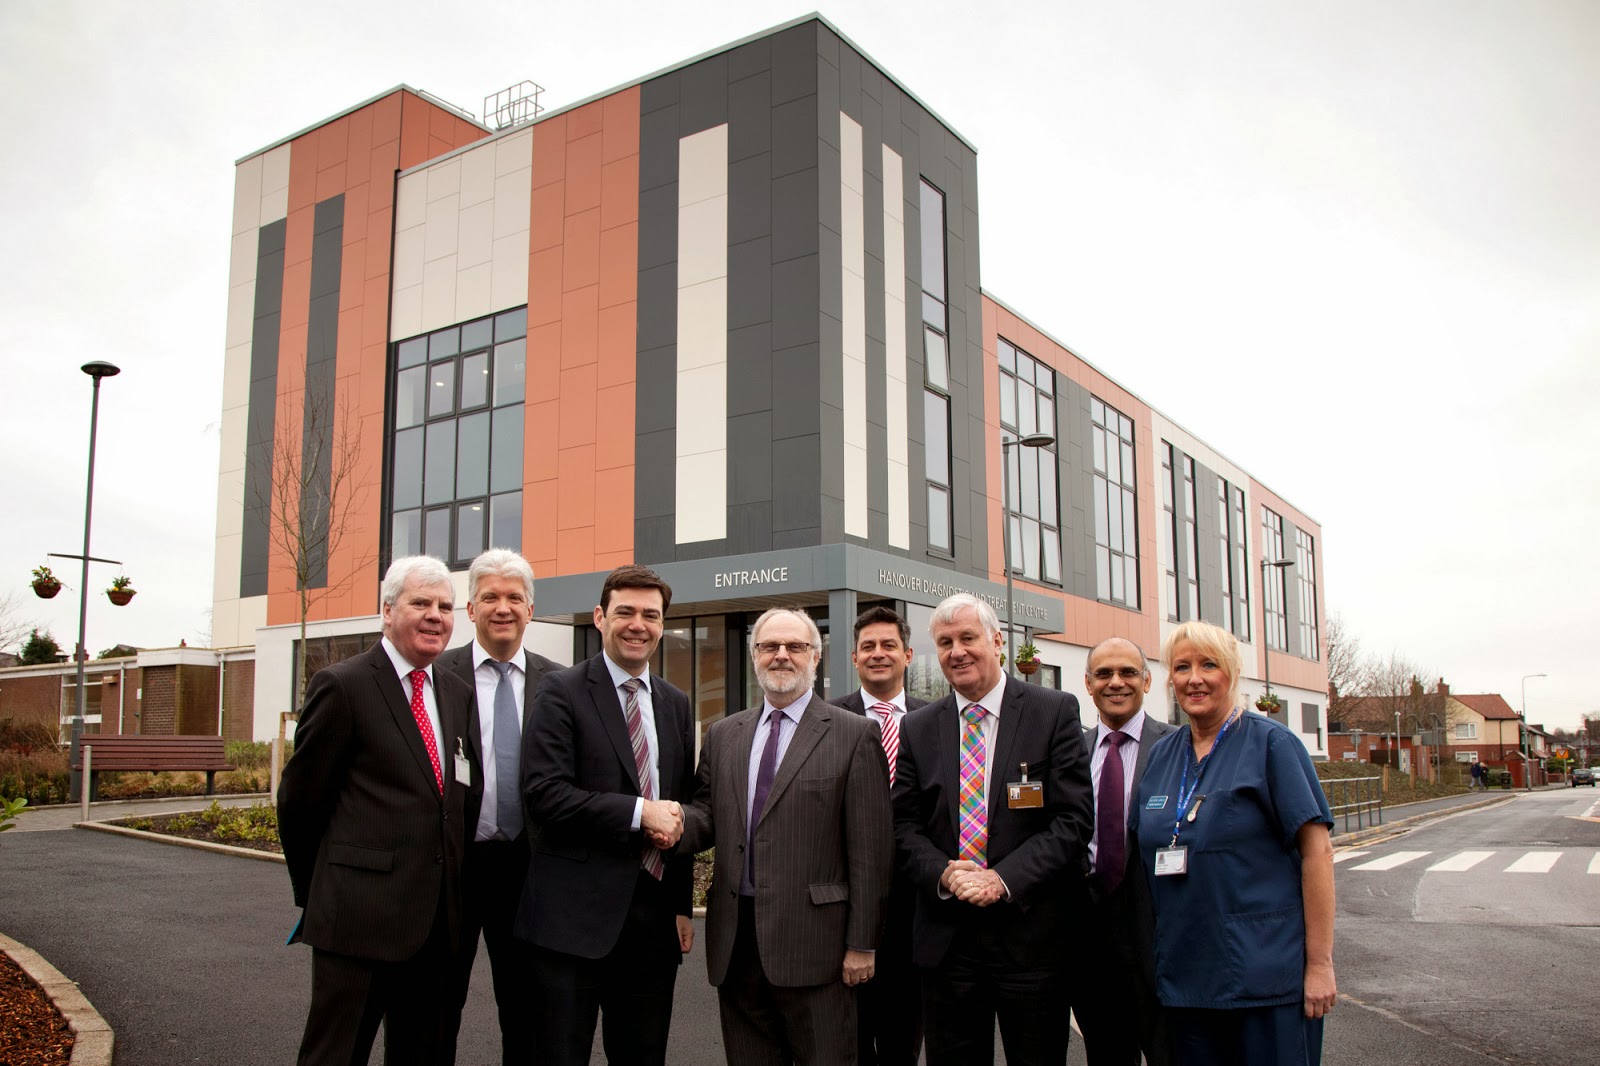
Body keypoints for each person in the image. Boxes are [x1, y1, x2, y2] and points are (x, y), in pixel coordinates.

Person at [278, 555, 476, 1066]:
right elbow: (300, 805)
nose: (435, 616)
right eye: (421, 603)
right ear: (387, 611)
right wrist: (323, 893)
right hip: (357, 922)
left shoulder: (456, 693)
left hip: (436, 927)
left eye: (445, 607)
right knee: (336, 1055)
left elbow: (456, 797)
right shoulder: (342, 685)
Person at [680, 607, 893, 1066]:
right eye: (769, 646)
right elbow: (707, 815)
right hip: (737, 946)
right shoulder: (724, 734)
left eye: (795, 646)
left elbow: (871, 852)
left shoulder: (854, 734)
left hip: (817, 949)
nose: (781, 655)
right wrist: (669, 822)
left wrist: (862, 944)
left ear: (816, 657)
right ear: (754, 655)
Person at [891, 593, 1093, 1066]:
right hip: (948, 943)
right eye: (945, 643)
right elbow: (903, 825)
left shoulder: (1053, 711)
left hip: (1031, 937)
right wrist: (944, 873)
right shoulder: (918, 727)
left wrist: (1002, 879)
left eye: (968, 638)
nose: (957, 651)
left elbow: (1073, 820)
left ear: (998, 641)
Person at [1134, 621, 1336, 1065]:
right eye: (1182, 667)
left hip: (1265, 978)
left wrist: (1320, 965)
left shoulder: (1272, 745)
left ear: (1232, 672)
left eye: (1209, 665)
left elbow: (1318, 853)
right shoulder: (1163, 754)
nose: (1194, 678)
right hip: (1185, 980)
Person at [517, 564, 694, 1066]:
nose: (638, 625)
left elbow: (680, 805)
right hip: (572, 922)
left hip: (653, 926)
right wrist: (639, 813)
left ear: (662, 624)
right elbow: (545, 795)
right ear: (600, 617)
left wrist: (681, 904)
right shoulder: (559, 691)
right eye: (625, 612)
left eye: (651, 615)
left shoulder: (676, 703)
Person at [436, 549, 560, 1063]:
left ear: (531, 609)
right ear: (470, 609)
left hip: (530, 873)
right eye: (490, 597)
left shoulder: (561, 684)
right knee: (435, 1010)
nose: (502, 607)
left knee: (528, 1016)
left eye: (514, 597)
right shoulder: (436, 675)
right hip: (452, 868)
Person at [1070, 637, 1174, 1066]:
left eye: (1128, 672)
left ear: (1146, 681)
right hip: (1090, 940)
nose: (1116, 682)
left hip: (1160, 938)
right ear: (1088, 684)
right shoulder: (1070, 752)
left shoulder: (1177, 747)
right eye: (1104, 674)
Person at [836, 606, 928, 1066]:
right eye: (868, 646)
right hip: (845, 909)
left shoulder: (935, 721)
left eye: (889, 645)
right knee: (848, 1043)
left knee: (903, 1041)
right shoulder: (827, 719)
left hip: (917, 909)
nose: (878, 654)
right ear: (854, 657)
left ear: (907, 655)